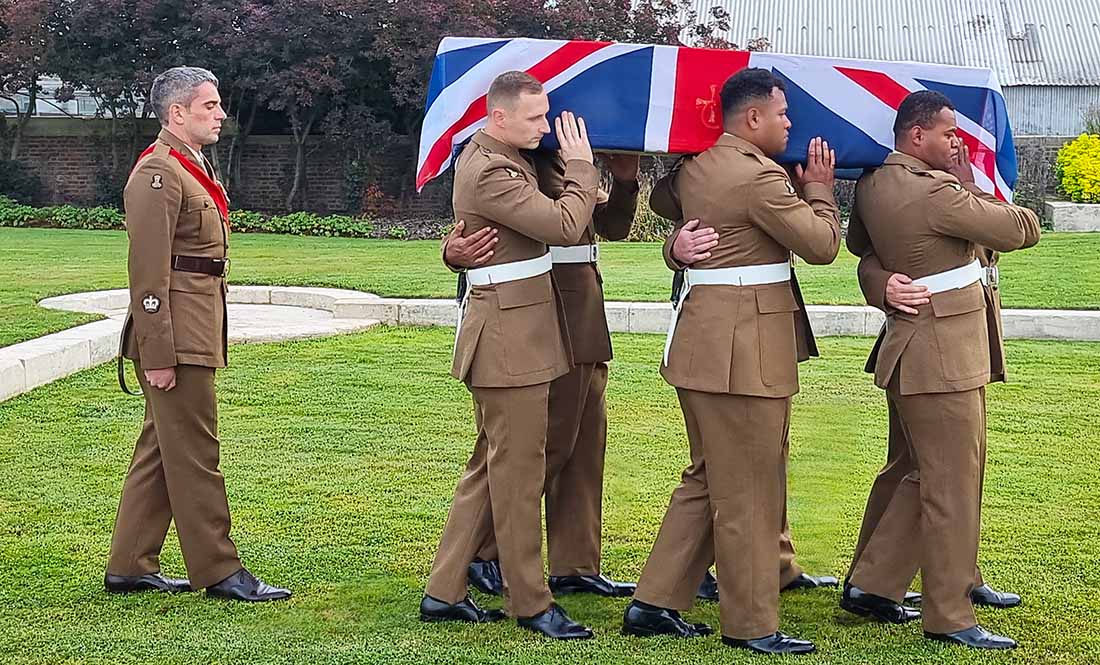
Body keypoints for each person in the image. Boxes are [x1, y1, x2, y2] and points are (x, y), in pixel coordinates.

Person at [623, 68, 840, 656]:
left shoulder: (696, 168)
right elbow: (821, 248)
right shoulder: (758, 179)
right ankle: (750, 624)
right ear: (752, 119)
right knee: (748, 488)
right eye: (782, 114)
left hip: (702, 343)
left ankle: (655, 601)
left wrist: (674, 247)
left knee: (708, 476)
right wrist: (819, 188)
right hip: (744, 352)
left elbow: (668, 200)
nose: (790, 124)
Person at [843, 90, 1040, 650]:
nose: (957, 141)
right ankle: (947, 613)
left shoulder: (874, 183)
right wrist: (967, 181)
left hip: (913, 348)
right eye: (948, 132)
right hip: (944, 355)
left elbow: (864, 247)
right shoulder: (938, 192)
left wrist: (883, 283)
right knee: (949, 481)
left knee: (911, 468)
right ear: (916, 136)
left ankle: (875, 583)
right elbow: (1022, 229)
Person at [418, 70, 601, 640]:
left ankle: (443, 592)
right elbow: (566, 226)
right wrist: (582, 166)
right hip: (508, 338)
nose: (545, 127)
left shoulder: (508, 156)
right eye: (535, 118)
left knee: (491, 467)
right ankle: (530, 603)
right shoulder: (493, 167)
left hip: (518, 330)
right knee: (517, 475)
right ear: (498, 117)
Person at [106, 66, 289, 603]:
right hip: (176, 333)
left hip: (195, 322)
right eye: (208, 106)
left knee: (162, 448)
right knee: (194, 453)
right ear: (176, 113)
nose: (221, 114)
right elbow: (148, 274)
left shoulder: (189, 167)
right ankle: (220, 571)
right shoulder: (158, 173)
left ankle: (130, 564)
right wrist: (157, 353)